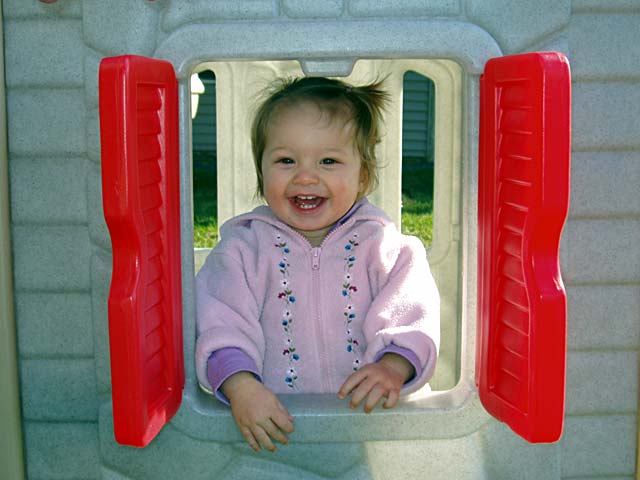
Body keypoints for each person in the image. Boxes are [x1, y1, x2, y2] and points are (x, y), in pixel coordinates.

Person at [195, 76, 440, 453]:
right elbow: (219, 325)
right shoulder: (241, 251)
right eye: (285, 160)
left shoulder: (387, 248)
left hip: (369, 429)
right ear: (261, 172)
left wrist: (393, 367)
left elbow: (413, 317)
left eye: (328, 161)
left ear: (362, 175)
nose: (305, 175)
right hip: (273, 429)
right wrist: (242, 387)